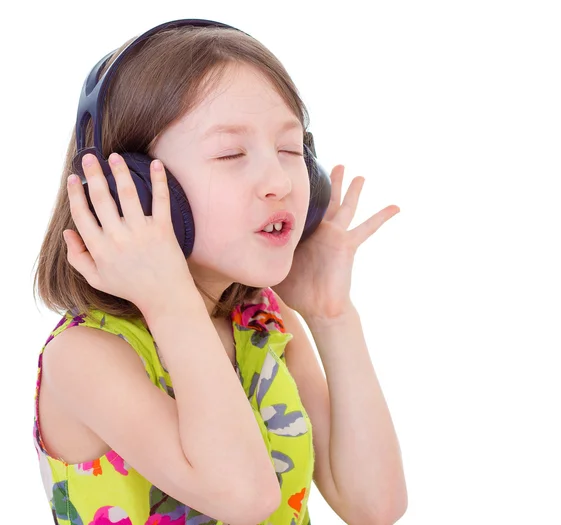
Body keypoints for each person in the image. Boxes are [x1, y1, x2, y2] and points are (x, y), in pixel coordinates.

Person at [32, 18, 407, 525]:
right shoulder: (84, 357)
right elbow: (244, 498)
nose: (278, 180)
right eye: (231, 153)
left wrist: (331, 316)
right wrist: (169, 299)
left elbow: (374, 506)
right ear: (132, 190)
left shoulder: (267, 328)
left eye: (290, 150)